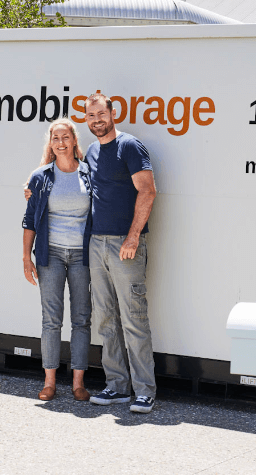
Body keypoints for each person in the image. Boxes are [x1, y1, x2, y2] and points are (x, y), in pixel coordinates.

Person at [82, 93, 158, 414]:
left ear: (113, 114)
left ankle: (144, 391)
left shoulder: (130, 146)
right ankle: (117, 386)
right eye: (91, 116)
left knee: (133, 318)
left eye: (102, 114)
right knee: (105, 319)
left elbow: (148, 190)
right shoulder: (91, 150)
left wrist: (132, 237)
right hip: (97, 244)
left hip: (125, 245)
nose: (97, 120)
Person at [22, 118, 93, 402]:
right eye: (55, 138)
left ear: (75, 140)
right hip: (49, 255)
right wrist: (26, 257)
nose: (61, 142)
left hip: (82, 255)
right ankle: (50, 381)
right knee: (51, 319)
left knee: (81, 319)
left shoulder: (89, 173)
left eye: (65, 137)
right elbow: (29, 220)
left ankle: (78, 383)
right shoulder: (41, 177)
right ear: (50, 144)